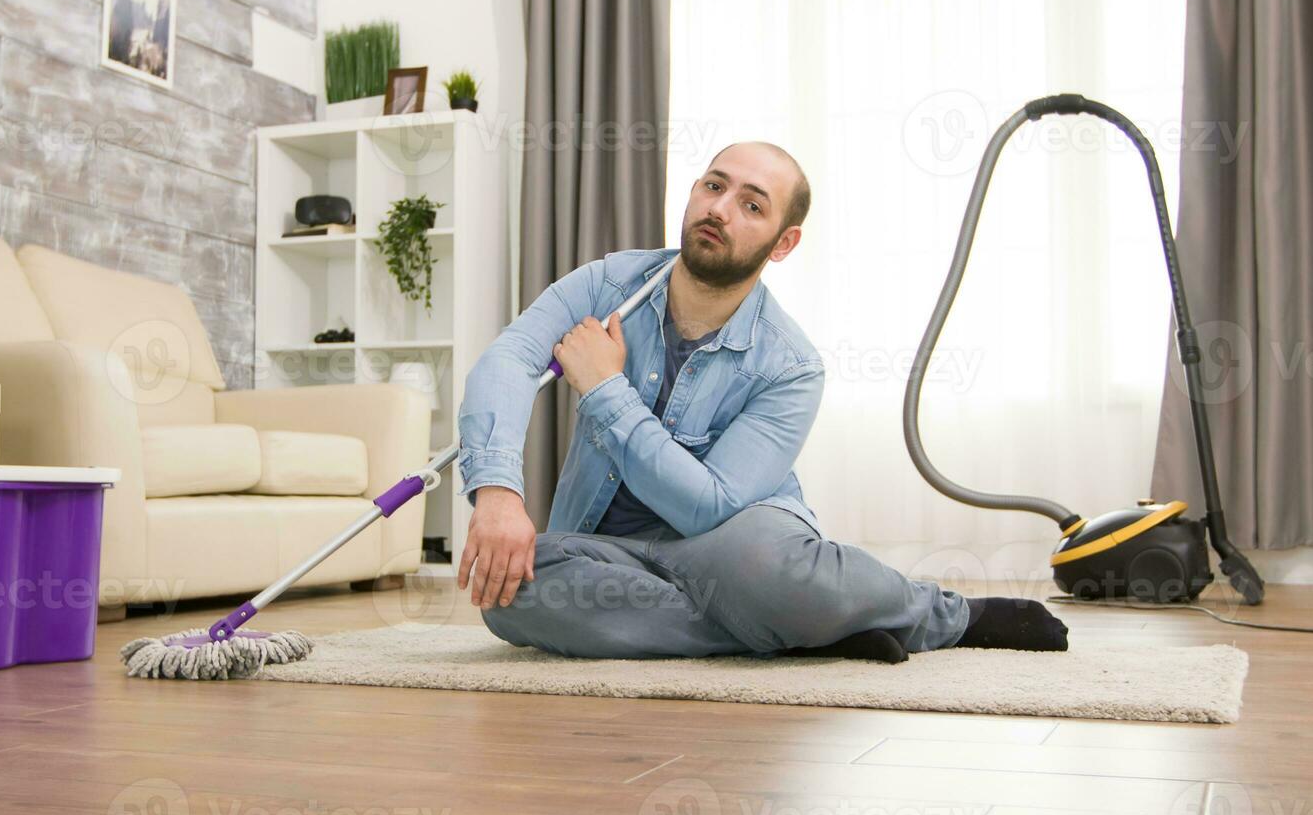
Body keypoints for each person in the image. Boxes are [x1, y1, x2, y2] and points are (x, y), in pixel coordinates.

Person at [455, 142, 1068, 662]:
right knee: (510, 591)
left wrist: (606, 389)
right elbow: (507, 361)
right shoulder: (604, 284)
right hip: (606, 554)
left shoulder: (793, 365)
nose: (720, 209)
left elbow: (709, 508)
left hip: (732, 546)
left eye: (752, 204)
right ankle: (798, 629)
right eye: (713, 187)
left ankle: (944, 615)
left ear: (783, 242)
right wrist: (498, 494)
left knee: (760, 570)